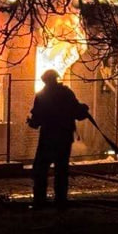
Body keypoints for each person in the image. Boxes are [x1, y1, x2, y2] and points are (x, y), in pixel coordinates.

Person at [27, 70, 89, 208]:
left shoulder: (41, 96)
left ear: (44, 80)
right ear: (56, 79)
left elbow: (36, 121)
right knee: (61, 170)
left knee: (40, 169)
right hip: (64, 138)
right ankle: (61, 200)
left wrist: (31, 122)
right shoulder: (67, 93)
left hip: (48, 138)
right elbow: (78, 113)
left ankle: (40, 201)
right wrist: (84, 108)